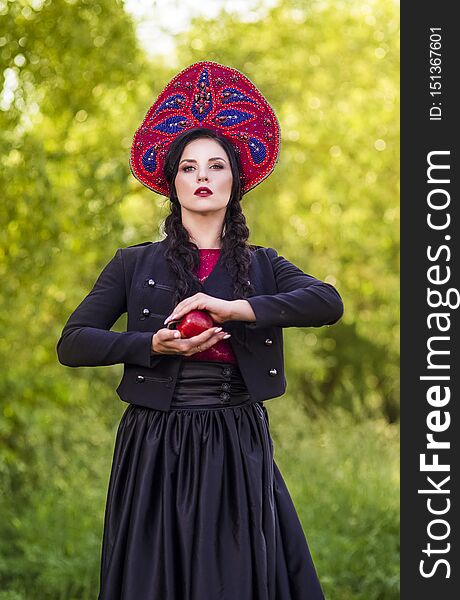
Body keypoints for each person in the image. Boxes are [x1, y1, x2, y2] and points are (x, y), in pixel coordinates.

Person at [56, 61, 344, 600]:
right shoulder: (132, 264)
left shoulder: (262, 265)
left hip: (236, 436)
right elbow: (73, 342)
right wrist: (150, 344)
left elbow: (327, 302)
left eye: (216, 166)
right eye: (189, 167)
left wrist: (235, 310)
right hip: (155, 440)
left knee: (232, 579)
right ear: (173, 182)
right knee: (155, 580)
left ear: (236, 181)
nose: (203, 176)